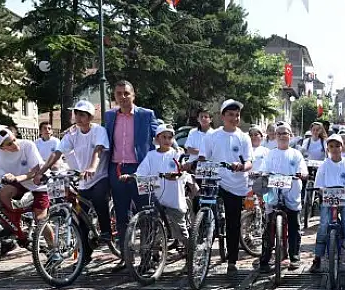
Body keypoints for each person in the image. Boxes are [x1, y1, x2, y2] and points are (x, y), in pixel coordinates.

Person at [34, 100, 112, 264]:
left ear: (90, 117)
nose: (78, 117)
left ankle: (106, 231)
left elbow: (98, 150)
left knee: (99, 198)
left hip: (99, 176)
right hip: (83, 180)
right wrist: (41, 172)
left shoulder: (99, 131)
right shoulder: (72, 134)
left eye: (82, 114)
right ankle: (85, 255)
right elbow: (57, 152)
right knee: (80, 220)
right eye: (76, 114)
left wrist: (92, 167)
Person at [104, 80, 159, 270]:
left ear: (133, 95)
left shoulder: (146, 115)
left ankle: (148, 255)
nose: (123, 97)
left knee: (145, 212)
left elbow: (159, 136)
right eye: (119, 93)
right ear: (115, 96)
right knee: (121, 214)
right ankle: (126, 256)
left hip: (141, 169)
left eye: (126, 93)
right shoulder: (109, 116)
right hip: (117, 169)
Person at [198, 99, 253, 275]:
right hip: (214, 180)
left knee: (233, 222)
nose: (234, 118)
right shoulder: (212, 136)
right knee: (202, 213)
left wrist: (241, 166)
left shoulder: (243, 137)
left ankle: (232, 260)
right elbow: (203, 157)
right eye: (230, 115)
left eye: (237, 115)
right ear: (222, 117)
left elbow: (249, 161)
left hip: (235, 184)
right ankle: (198, 248)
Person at [0, 127, 50, 247]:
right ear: (1, 148)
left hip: (37, 184)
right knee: (2, 194)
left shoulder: (27, 145)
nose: (15, 144)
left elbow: (36, 171)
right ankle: (16, 228)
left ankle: (54, 250)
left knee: (40, 219)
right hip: (19, 184)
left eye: (14, 139)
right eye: (9, 144)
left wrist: (17, 178)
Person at [121, 124, 189, 253]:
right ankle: (154, 256)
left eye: (170, 137)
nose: (167, 140)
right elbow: (142, 170)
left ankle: (189, 254)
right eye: (164, 137)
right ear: (157, 139)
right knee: (154, 226)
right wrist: (131, 176)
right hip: (155, 197)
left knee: (180, 230)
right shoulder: (151, 155)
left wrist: (177, 174)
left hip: (174, 198)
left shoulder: (177, 153)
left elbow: (182, 168)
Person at [256, 124, 306, 273]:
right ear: (275, 136)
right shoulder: (271, 154)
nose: (282, 135)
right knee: (268, 227)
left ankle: (294, 256)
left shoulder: (296, 154)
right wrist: (262, 174)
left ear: (290, 135)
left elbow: (302, 169)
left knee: (294, 226)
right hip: (273, 192)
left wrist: (301, 174)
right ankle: (265, 258)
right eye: (279, 133)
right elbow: (264, 169)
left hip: (291, 193)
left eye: (285, 133)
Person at [311, 134, 345, 273]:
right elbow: (318, 185)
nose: (334, 149)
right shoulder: (324, 165)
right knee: (323, 226)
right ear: (327, 148)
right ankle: (317, 259)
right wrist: (322, 191)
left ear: (342, 147)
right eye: (331, 146)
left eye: (337, 146)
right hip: (327, 199)